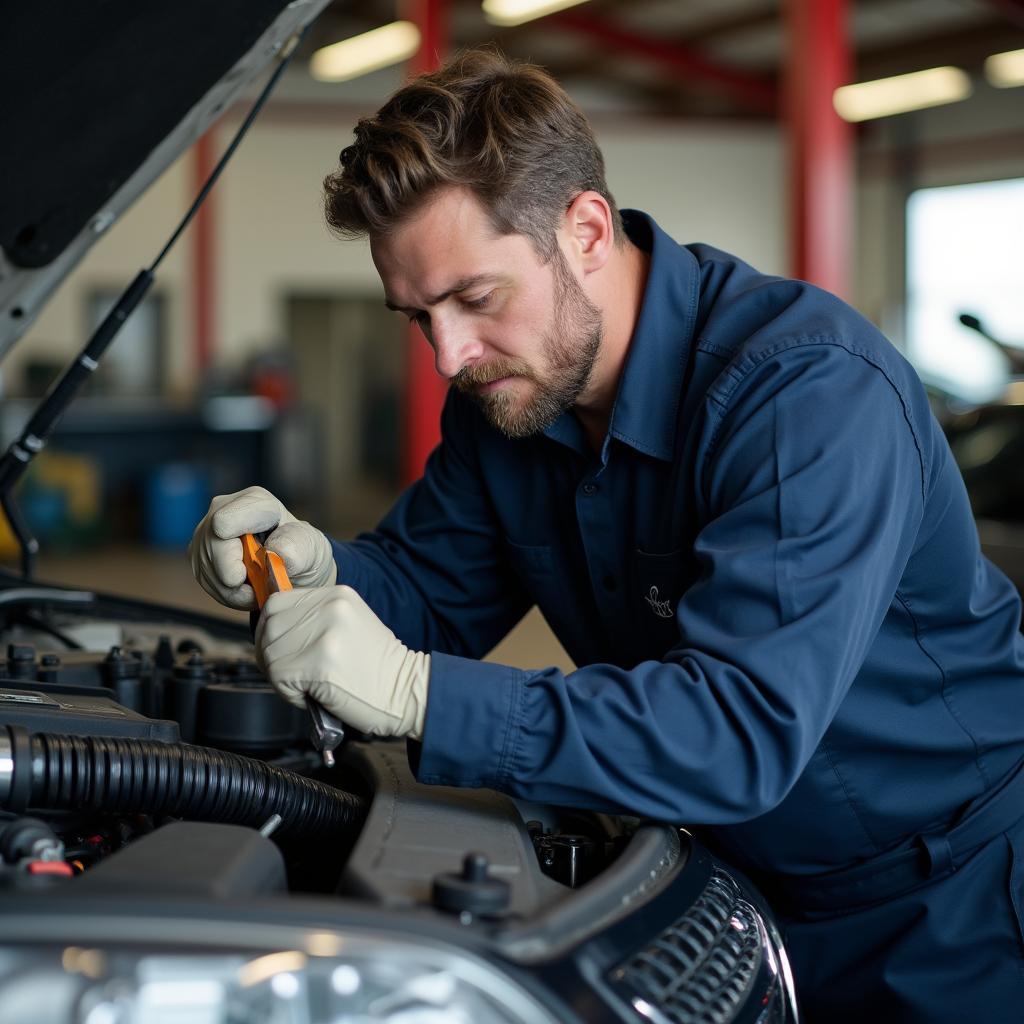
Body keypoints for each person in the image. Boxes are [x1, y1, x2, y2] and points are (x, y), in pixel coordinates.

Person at [189, 48, 1024, 1021]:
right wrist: (316, 570)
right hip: (722, 880)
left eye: (475, 298)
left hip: (940, 903)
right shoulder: (503, 403)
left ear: (584, 229)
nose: (449, 355)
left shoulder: (807, 394)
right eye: (419, 317)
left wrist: (422, 698)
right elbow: (427, 594)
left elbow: (735, 731)